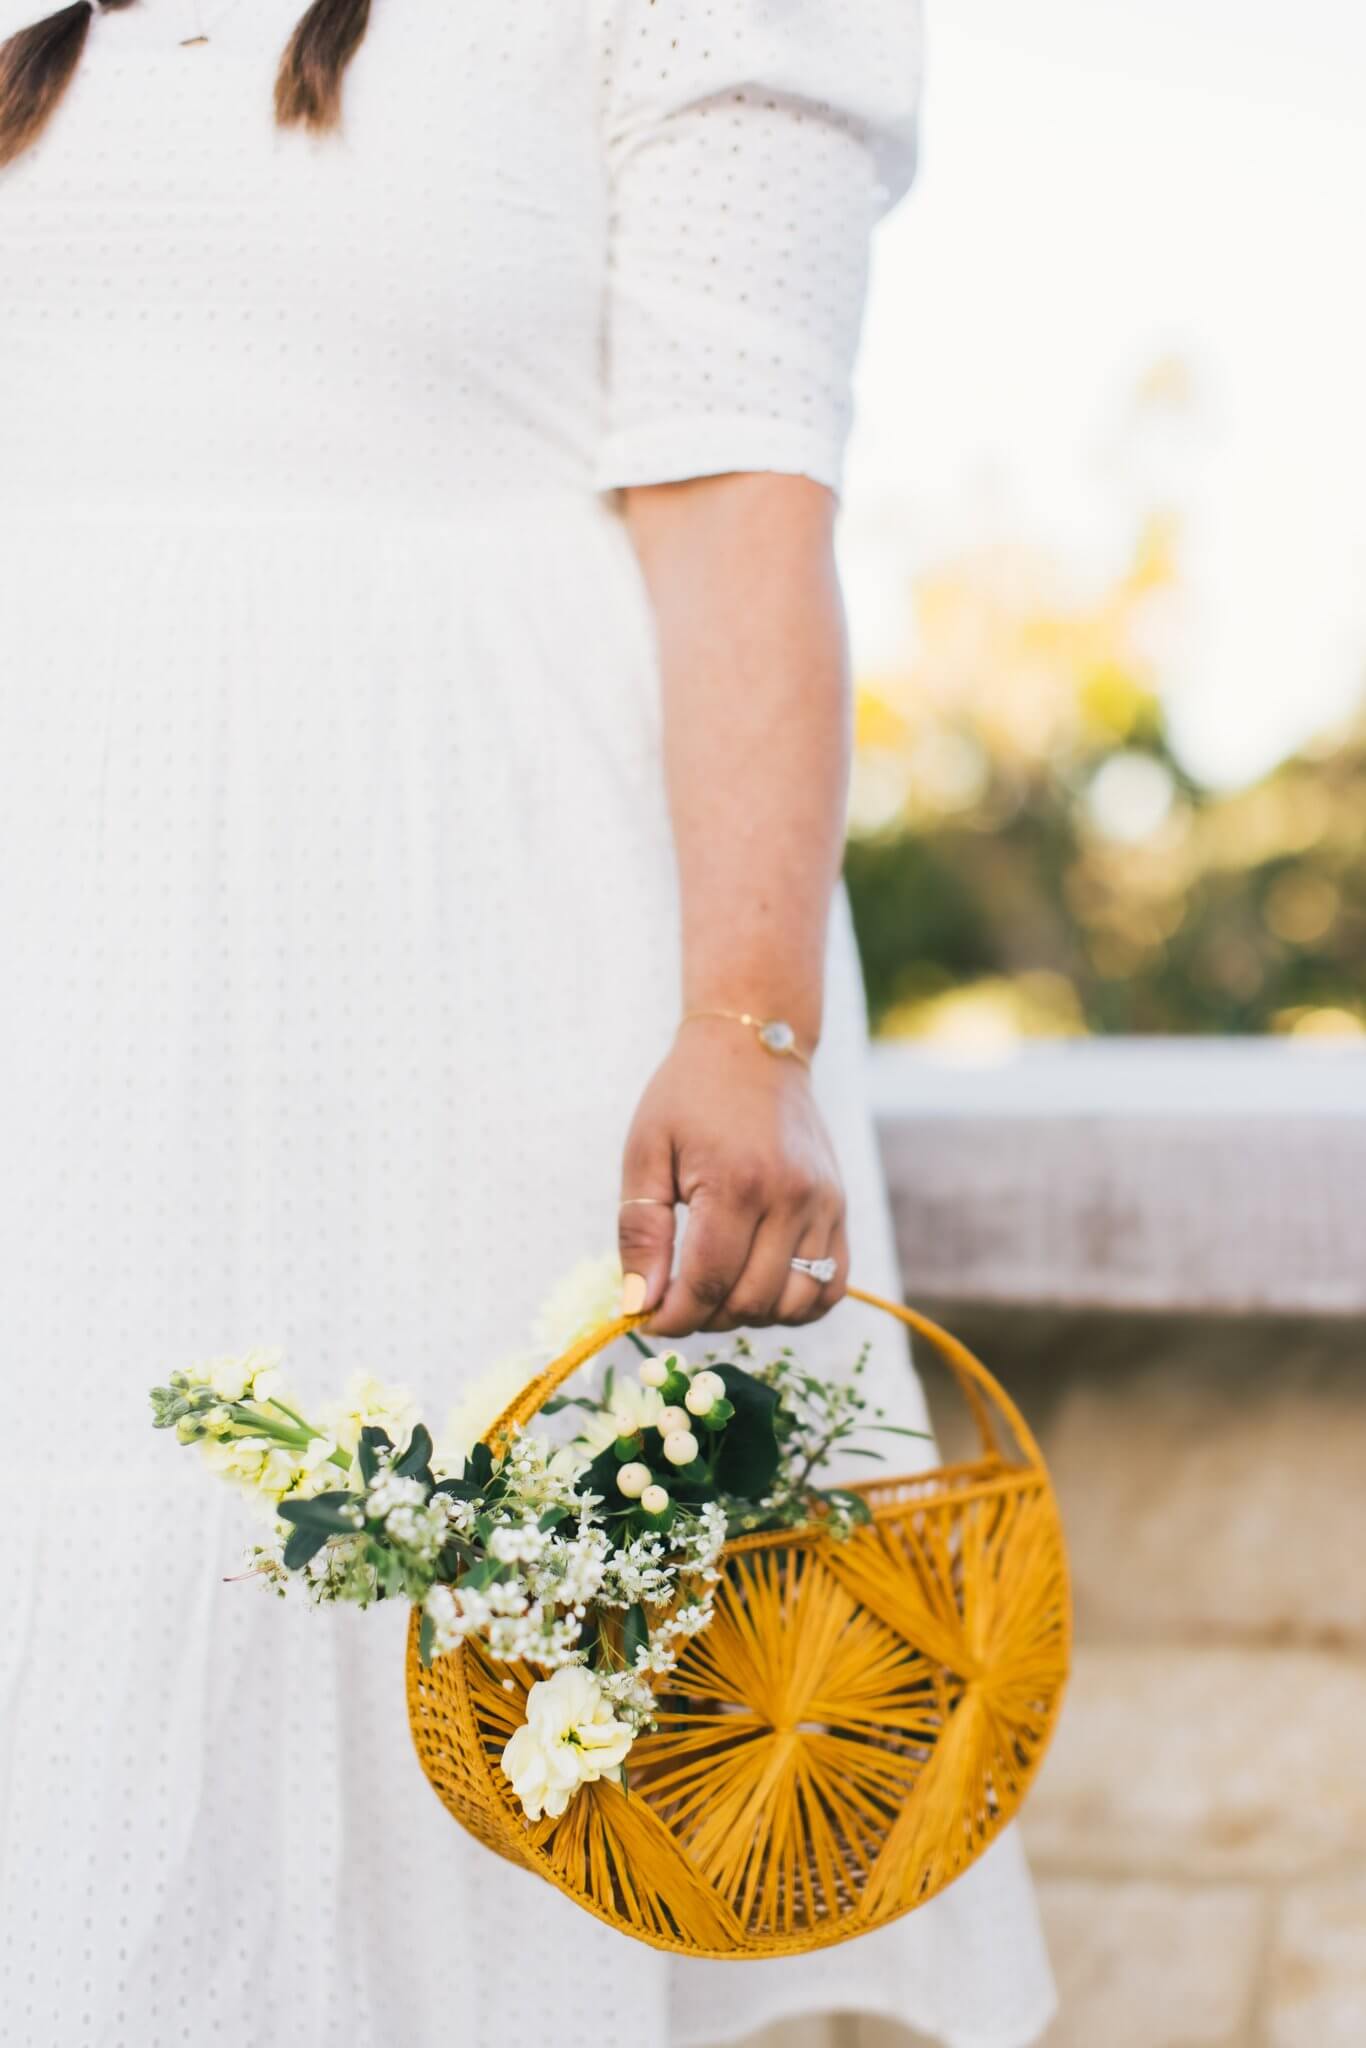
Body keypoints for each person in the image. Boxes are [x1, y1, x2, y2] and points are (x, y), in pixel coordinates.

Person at [0, 2, 1055, 2043]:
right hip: (59, 1024)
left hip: (440, 993)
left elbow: (742, 492)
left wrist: (747, 1029)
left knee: (383, 1709)